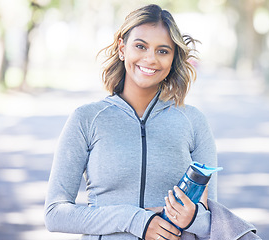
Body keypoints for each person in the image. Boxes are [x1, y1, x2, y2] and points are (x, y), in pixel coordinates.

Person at [45, 4, 217, 240]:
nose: (150, 58)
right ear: (122, 48)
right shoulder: (87, 119)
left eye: (163, 51)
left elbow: (213, 219)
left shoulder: (193, 121)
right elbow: (55, 213)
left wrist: (192, 218)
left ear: (173, 57)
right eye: (140, 46)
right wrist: (135, 220)